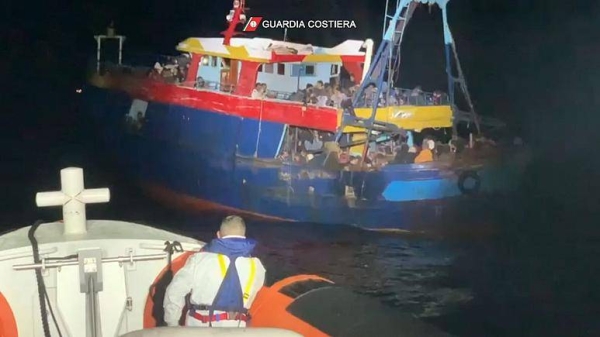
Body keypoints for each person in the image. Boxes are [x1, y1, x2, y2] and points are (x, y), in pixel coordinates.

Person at [163, 215, 266, 327]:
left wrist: (172, 323)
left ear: (218, 235)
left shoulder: (199, 260)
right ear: (244, 236)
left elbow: (175, 291)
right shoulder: (257, 266)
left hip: (201, 327)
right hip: (237, 329)